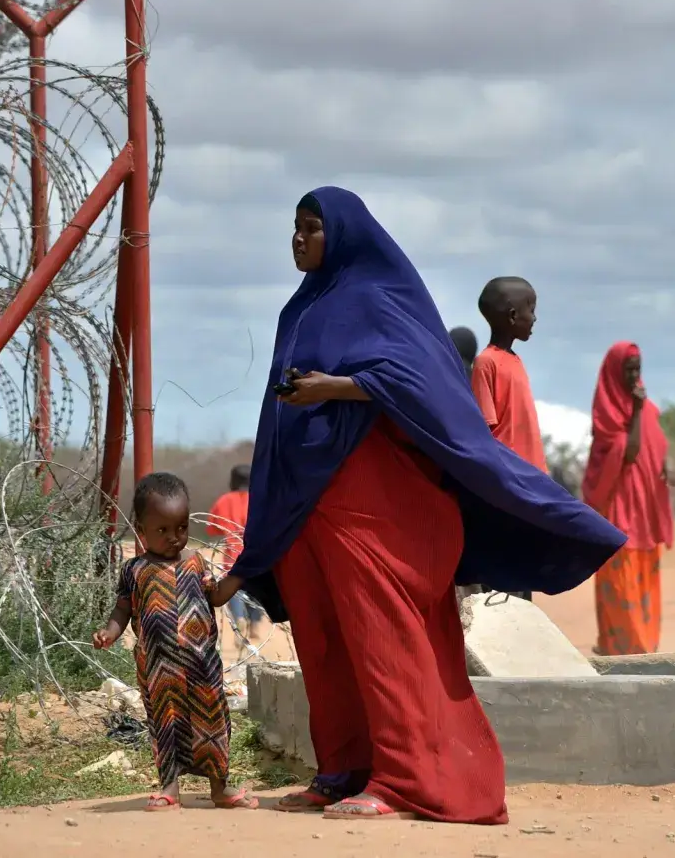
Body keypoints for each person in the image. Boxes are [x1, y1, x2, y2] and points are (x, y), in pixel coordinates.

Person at [210, 188, 625, 822]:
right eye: (294, 228)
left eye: (311, 228)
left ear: (342, 235)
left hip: (374, 508)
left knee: (385, 640)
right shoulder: (299, 311)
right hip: (309, 507)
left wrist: (340, 386)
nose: (298, 240)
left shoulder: (382, 298)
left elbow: (426, 384)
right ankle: (344, 770)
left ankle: (406, 782)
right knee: (326, 644)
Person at [94, 472, 257, 812]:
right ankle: (170, 788)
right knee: (165, 725)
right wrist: (110, 632)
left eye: (181, 528)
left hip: (202, 666)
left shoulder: (195, 563)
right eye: (162, 530)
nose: (174, 538)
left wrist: (240, 573)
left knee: (212, 723)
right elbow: (122, 608)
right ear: (141, 530)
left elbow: (216, 598)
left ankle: (220, 788)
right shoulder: (134, 571)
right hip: (158, 670)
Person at [581, 341, 675, 655]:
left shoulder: (647, 408)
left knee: (644, 580)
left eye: (638, 369)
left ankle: (645, 646)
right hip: (619, 509)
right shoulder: (607, 414)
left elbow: (655, 445)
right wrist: (635, 412)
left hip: (644, 510)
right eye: (628, 369)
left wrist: (668, 467)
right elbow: (630, 451)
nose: (635, 376)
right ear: (614, 372)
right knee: (620, 582)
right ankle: (621, 647)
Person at [469, 277, 549, 601]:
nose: (535, 318)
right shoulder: (486, 362)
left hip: (529, 486)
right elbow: (486, 432)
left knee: (523, 577)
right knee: (504, 585)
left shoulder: (514, 361)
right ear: (513, 316)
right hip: (507, 487)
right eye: (532, 309)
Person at [206, 463, 264, 638]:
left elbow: (211, 529)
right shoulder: (259, 499)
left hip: (231, 555)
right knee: (256, 591)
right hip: (256, 555)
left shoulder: (224, 500)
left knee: (234, 590)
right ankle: (255, 623)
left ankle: (239, 618)